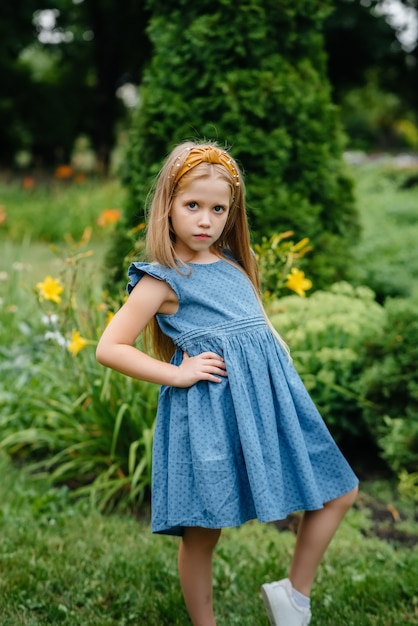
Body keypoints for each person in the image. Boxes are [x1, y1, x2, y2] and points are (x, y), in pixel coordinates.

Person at [96, 140, 359, 626]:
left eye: (218, 209)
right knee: (202, 531)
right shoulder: (163, 279)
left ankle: (294, 596)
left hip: (271, 406)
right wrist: (178, 372)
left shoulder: (236, 265)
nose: (205, 220)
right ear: (167, 206)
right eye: (192, 205)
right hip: (209, 415)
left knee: (338, 489)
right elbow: (109, 347)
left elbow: (258, 336)